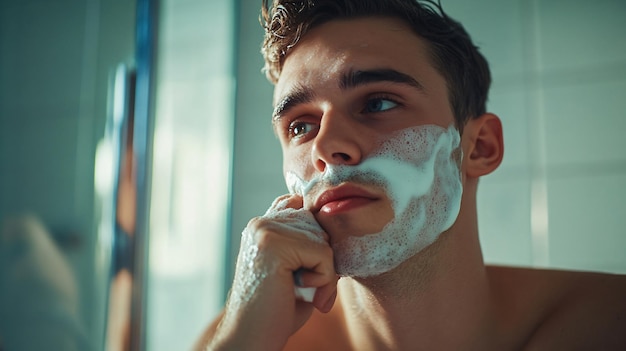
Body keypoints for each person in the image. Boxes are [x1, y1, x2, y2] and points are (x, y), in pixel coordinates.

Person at [197, 0, 626, 350]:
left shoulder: (608, 324)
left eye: (378, 103)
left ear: (479, 147)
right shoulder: (250, 335)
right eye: (301, 126)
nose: (326, 148)